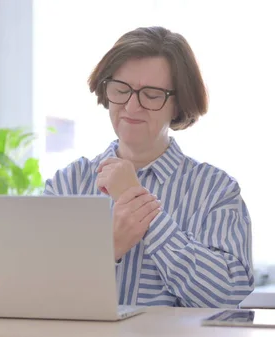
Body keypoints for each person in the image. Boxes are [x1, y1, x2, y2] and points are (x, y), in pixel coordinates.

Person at [43, 26, 254, 308]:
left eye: (151, 95)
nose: (131, 107)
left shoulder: (216, 190)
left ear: (178, 104)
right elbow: (40, 289)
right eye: (121, 90)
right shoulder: (68, 184)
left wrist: (139, 203)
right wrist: (109, 247)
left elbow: (225, 295)